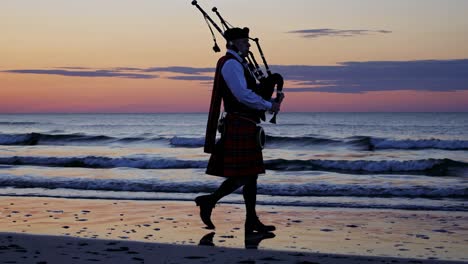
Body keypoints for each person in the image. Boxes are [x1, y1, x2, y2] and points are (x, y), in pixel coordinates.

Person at [195, 27, 283, 235]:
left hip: (246, 123)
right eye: (245, 42)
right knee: (246, 175)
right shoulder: (231, 65)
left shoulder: (239, 64)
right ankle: (209, 200)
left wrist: (269, 101)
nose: (249, 45)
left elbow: (249, 94)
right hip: (239, 123)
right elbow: (242, 95)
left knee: (251, 176)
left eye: (248, 41)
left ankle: (251, 221)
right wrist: (269, 105)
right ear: (233, 43)